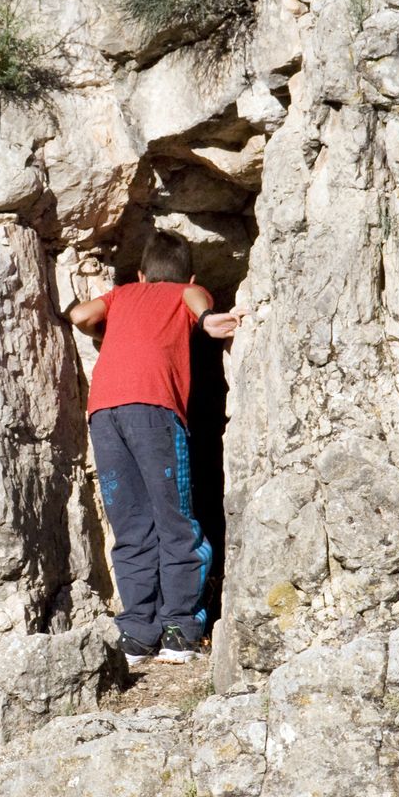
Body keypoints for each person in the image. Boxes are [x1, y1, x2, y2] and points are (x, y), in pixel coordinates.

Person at [68, 230, 245, 665]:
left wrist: (107, 314)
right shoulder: (186, 290)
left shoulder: (123, 294)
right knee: (176, 519)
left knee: (131, 526)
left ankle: (136, 634)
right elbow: (196, 305)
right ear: (191, 273)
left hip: (104, 414)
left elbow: (79, 316)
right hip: (154, 411)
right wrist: (207, 322)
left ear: (142, 272)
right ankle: (180, 631)